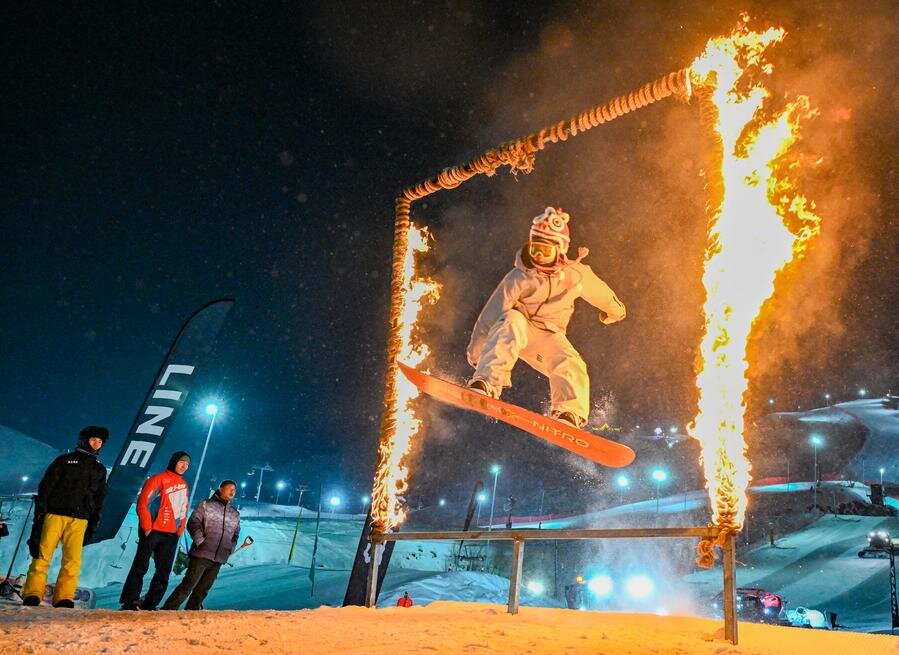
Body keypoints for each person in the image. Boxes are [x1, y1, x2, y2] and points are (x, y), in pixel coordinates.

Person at [466, 207, 626, 429]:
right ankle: (487, 382)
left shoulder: (576, 274)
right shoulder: (518, 277)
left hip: (549, 335)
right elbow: (491, 314)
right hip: (518, 329)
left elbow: (602, 293)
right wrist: (477, 353)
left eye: (544, 250)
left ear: (559, 250)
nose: (538, 256)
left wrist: (615, 312)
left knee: (571, 361)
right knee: (511, 319)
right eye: (534, 248)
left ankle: (569, 413)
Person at [21, 425, 109, 607]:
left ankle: (63, 597)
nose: (96, 444)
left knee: (72, 560)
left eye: (100, 442)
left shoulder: (99, 469)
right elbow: (47, 485)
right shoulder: (65, 460)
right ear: (84, 440)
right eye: (93, 439)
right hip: (55, 514)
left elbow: (100, 497)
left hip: (80, 519)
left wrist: (94, 521)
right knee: (42, 555)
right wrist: (41, 510)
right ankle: (32, 593)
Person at [119, 451, 191, 610]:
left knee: (164, 571)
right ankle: (130, 600)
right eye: (181, 462)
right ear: (174, 461)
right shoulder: (158, 479)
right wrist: (147, 528)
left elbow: (183, 509)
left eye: (187, 464)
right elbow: (143, 503)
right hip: (153, 532)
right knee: (140, 566)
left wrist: (179, 530)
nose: (184, 466)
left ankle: (151, 603)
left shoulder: (184, 485)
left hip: (171, 535)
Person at [162, 479, 240, 610]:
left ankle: (192, 612)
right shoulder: (206, 505)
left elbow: (236, 534)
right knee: (188, 584)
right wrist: (200, 541)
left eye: (234, 489)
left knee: (203, 589)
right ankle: (168, 609)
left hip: (219, 557)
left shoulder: (234, 513)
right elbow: (193, 523)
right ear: (220, 489)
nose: (232, 491)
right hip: (202, 553)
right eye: (229, 488)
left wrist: (229, 548)